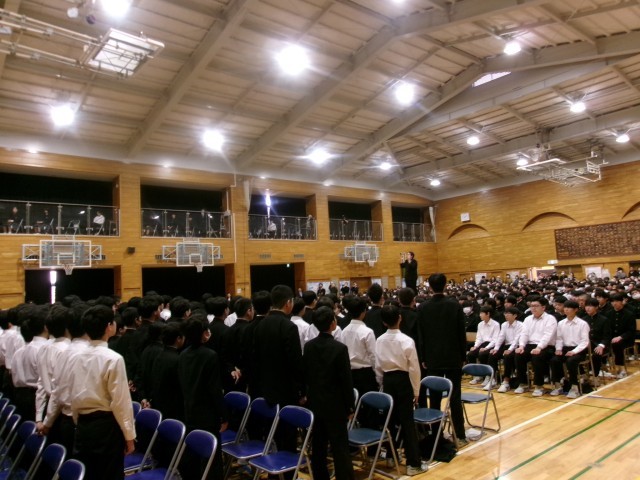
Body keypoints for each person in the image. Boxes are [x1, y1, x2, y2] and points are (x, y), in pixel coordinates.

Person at [69, 305, 136, 480]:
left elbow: (73, 395)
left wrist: (78, 420)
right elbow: (120, 402)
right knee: (109, 475)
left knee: (88, 474)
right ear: (109, 326)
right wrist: (129, 436)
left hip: (83, 425)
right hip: (106, 427)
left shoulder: (76, 357)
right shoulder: (113, 358)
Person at [302, 306, 355, 480]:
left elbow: (306, 374)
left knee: (319, 445)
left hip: (315, 402)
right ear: (333, 323)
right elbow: (346, 381)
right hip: (335, 404)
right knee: (340, 446)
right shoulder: (339, 348)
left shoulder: (309, 346)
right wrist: (350, 406)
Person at [416, 273, 468, 448]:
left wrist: (423, 357)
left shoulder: (423, 307)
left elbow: (421, 336)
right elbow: (461, 333)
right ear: (445, 285)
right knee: (455, 397)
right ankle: (460, 435)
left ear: (430, 287)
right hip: (453, 356)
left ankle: (436, 434)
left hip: (433, 357)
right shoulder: (454, 305)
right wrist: (463, 356)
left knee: (435, 398)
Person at [375, 305, 425, 476]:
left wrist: (381, 382)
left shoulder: (379, 340)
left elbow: (378, 366)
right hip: (403, 381)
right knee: (407, 422)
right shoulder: (406, 340)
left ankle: (391, 457)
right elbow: (414, 368)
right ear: (400, 318)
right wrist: (416, 390)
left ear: (383, 322)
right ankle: (413, 464)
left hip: (388, 380)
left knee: (389, 420)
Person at [178, 315, 228, 480]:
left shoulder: (183, 354)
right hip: (207, 413)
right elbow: (215, 390)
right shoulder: (210, 355)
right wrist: (224, 415)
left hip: (189, 409)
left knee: (194, 452)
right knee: (211, 457)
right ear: (204, 333)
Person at [514, 296, 557, 397]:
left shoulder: (550, 319)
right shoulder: (528, 319)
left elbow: (548, 335)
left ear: (543, 307)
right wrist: (521, 346)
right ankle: (523, 383)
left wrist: (539, 347)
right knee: (519, 355)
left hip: (547, 346)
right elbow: (524, 334)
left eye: (536, 306)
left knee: (537, 357)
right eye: (532, 306)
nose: (533, 308)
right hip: (530, 344)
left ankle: (539, 386)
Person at [549, 300, 590, 399]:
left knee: (571, 361)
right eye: (565, 307)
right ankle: (558, 385)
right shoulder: (561, 323)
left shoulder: (582, 324)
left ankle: (574, 387)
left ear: (575, 310)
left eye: (569, 308)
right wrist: (558, 349)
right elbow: (559, 338)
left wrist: (574, 351)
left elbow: (585, 341)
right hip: (565, 348)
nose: (566, 309)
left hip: (579, 350)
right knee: (554, 360)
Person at [466, 305, 500, 389]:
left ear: (488, 314)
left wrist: (486, 348)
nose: (480, 315)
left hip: (491, 344)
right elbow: (479, 338)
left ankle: (487, 376)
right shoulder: (480, 324)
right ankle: (477, 375)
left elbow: (495, 339)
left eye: (481, 313)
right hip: (482, 344)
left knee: (483, 354)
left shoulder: (496, 324)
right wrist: (475, 346)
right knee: (471, 354)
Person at [491, 307, 523, 393]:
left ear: (515, 315)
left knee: (508, 356)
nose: (506, 315)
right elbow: (501, 337)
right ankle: (493, 379)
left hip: (516, 346)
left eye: (508, 313)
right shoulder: (504, 324)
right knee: (492, 354)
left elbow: (517, 340)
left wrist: (510, 349)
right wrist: (496, 348)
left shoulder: (520, 325)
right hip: (507, 346)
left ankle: (506, 381)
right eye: (505, 313)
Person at [607, 293, 636, 378]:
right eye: (612, 301)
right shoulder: (609, 314)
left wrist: (621, 337)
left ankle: (621, 368)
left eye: (616, 301)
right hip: (612, 338)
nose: (614, 303)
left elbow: (631, 330)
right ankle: (603, 367)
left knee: (617, 344)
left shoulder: (629, 314)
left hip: (626, 339)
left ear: (622, 301)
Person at [583, 297, 611, 378]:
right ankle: (583, 374)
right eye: (586, 306)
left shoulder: (604, 320)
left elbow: (607, 336)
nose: (587, 308)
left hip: (600, 344)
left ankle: (595, 375)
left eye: (590, 306)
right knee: (575, 354)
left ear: (596, 307)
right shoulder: (583, 320)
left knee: (596, 354)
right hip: (586, 344)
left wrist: (601, 345)